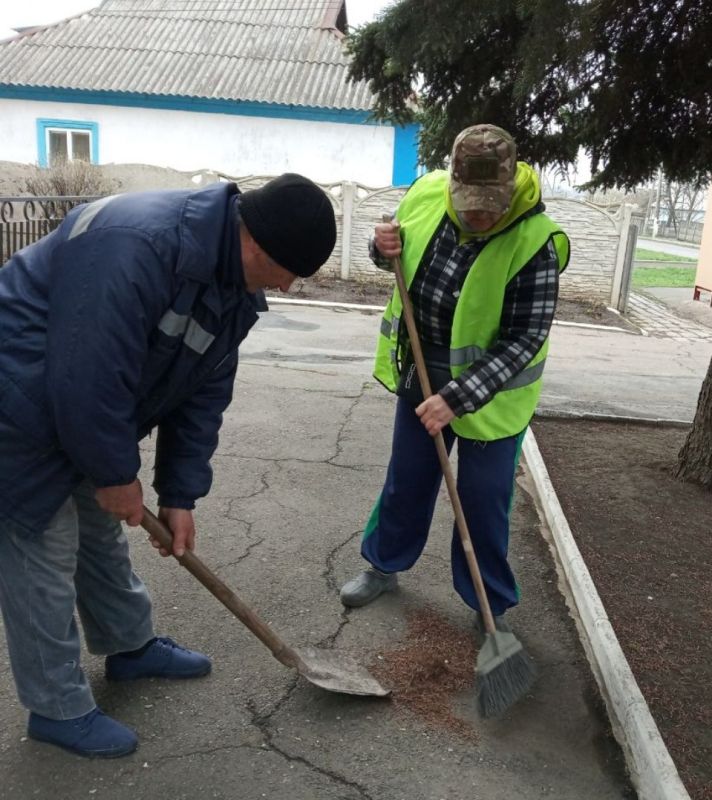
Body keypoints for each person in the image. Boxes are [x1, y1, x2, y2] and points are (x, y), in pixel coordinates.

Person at [0, 173, 336, 758]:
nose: (285, 286)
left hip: (77, 407)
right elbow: (87, 372)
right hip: (17, 399)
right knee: (41, 548)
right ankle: (56, 708)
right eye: (286, 271)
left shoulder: (229, 282)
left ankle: (129, 646)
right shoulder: (138, 245)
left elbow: (202, 393)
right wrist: (115, 474)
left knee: (100, 530)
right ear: (254, 241)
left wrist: (179, 494)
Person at [340, 124, 570, 635]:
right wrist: (381, 248)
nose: (479, 215)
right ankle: (383, 565)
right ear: (453, 182)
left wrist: (457, 397)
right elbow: (396, 260)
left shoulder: (537, 242)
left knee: (484, 502)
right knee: (407, 480)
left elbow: (524, 339)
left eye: (491, 206)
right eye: (469, 204)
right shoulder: (425, 197)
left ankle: (490, 604)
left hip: (493, 397)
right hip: (421, 370)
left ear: (510, 188)